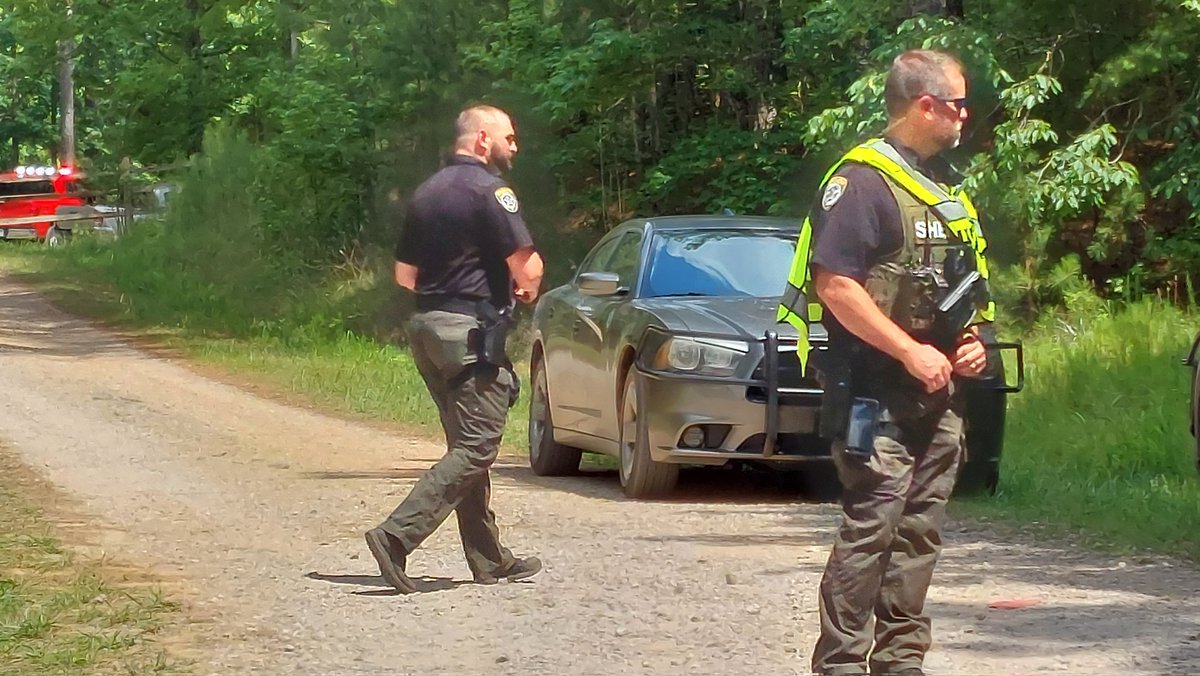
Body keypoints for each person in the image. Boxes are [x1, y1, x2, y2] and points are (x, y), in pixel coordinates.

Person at [776, 50, 996, 676]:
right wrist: (909, 350)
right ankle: (840, 663)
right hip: (873, 389)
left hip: (938, 390)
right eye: (956, 104)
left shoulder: (945, 185)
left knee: (920, 530)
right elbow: (836, 287)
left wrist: (975, 340)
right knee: (873, 526)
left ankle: (901, 661)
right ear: (924, 105)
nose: (964, 115)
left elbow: (964, 283)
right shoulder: (860, 184)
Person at [364, 105, 545, 594]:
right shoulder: (491, 191)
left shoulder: (427, 192)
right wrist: (527, 286)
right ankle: (396, 536)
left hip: (426, 328)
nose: (515, 146)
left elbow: (404, 276)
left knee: (467, 447)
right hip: (468, 332)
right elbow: (526, 270)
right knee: (477, 446)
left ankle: (489, 559)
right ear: (483, 139)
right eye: (509, 136)